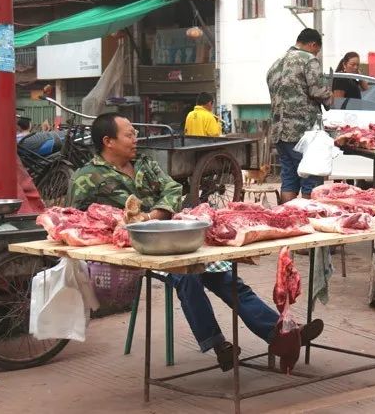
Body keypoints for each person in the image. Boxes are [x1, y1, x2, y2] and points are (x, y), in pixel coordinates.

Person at [68, 112, 323, 371]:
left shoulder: (145, 163)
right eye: (129, 134)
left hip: (170, 238)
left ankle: (277, 334)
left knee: (225, 276)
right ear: (108, 141)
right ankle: (219, 344)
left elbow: (172, 190)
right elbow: (76, 218)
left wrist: (151, 216)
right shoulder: (87, 177)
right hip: (132, 248)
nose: (136, 139)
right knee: (187, 276)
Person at [267, 28, 332, 203]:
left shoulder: (275, 64)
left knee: (289, 179)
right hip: (303, 133)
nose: (316, 53)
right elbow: (318, 91)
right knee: (311, 178)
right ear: (312, 45)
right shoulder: (308, 60)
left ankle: (288, 220)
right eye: (317, 50)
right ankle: (310, 222)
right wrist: (330, 99)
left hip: (279, 132)